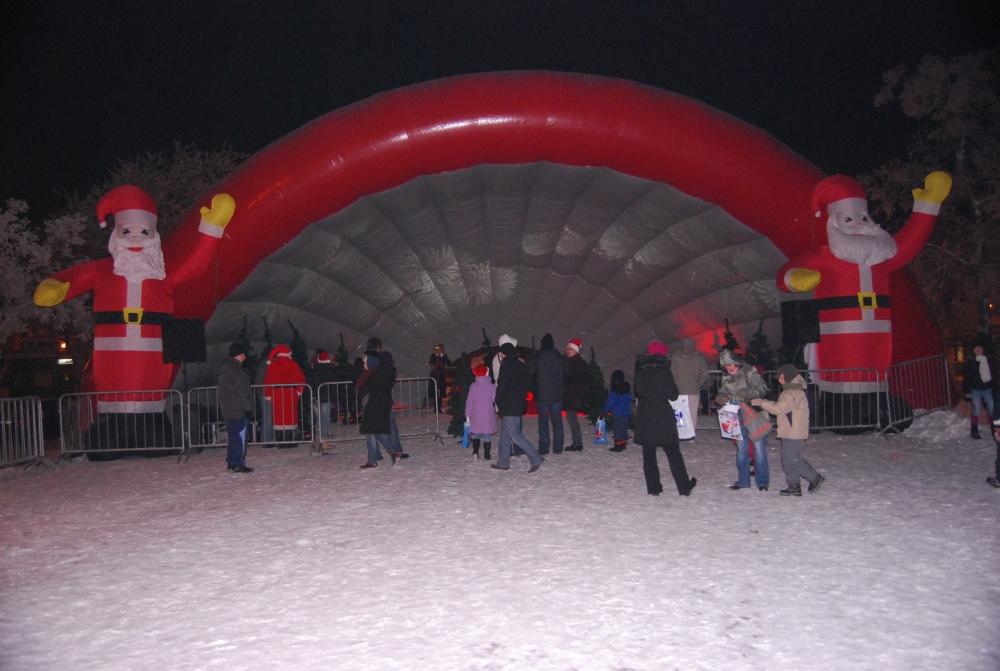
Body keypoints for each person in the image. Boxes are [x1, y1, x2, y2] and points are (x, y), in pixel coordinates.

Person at [33, 185, 235, 413]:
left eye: (144, 232)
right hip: (111, 351)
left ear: (153, 235)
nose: (136, 236)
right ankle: (111, 424)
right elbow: (76, 278)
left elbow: (194, 266)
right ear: (116, 234)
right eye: (127, 231)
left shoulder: (162, 274)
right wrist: (57, 286)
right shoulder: (102, 270)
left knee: (150, 394)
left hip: (153, 352)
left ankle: (152, 422)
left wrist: (211, 227)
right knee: (113, 392)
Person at [777, 172, 951, 389]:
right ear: (834, 223)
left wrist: (927, 206)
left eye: (864, 218)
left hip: (879, 332)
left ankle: (876, 399)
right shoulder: (824, 257)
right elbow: (784, 275)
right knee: (842, 375)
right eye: (849, 219)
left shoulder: (882, 255)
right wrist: (796, 278)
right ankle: (836, 400)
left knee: (874, 373)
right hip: (838, 333)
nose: (859, 224)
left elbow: (909, 243)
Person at [751, 364, 824, 496]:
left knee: (790, 459)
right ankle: (800, 482)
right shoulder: (794, 390)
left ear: (787, 377)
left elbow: (779, 408)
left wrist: (761, 402)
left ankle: (806, 481)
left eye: (781, 377)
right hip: (792, 430)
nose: (779, 380)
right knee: (791, 458)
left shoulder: (790, 393)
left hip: (793, 432)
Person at [634, 341, 696, 496]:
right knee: (673, 452)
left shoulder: (641, 370)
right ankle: (684, 487)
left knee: (649, 454)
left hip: (646, 416)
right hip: (662, 416)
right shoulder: (664, 371)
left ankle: (654, 488)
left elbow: (637, 391)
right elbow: (673, 394)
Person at [717, 348, 771, 492]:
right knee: (741, 451)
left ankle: (762, 482)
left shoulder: (749, 371)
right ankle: (743, 481)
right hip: (737, 417)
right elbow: (723, 392)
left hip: (754, 416)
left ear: (736, 362)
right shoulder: (726, 377)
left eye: (730, 365)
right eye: (725, 366)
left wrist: (744, 393)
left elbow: (762, 389)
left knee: (759, 450)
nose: (728, 368)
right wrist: (721, 398)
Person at [492, 341, 544, 473]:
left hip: (509, 404)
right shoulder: (520, 364)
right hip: (518, 402)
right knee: (505, 434)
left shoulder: (506, 365)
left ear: (504, 353)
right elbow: (528, 383)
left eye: (501, 353)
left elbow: (502, 385)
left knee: (515, 434)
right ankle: (503, 462)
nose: (500, 355)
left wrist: (498, 400)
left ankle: (536, 458)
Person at [358, 351, 401, 469]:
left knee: (374, 431)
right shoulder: (387, 371)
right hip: (381, 403)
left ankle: (391, 453)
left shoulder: (376, 373)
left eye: (366, 361)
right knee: (372, 432)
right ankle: (373, 459)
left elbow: (363, 387)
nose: (364, 363)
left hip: (374, 404)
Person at [216, 342, 255, 473]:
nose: (245, 357)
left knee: (233, 436)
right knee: (240, 437)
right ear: (239, 355)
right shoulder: (238, 371)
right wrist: (248, 408)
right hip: (239, 409)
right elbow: (242, 391)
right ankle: (238, 462)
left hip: (228, 408)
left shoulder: (225, 370)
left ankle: (231, 461)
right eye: (243, 354)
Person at [527, 333, 566, 455]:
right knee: (557, 422)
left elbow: (530, 372)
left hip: (542, 395)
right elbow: (568, 372)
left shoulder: (538, 357)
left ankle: (544, 447)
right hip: (557, 395)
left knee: (543, 423)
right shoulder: (560, 357)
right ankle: (558, 447)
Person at [263, 345, 306, 446]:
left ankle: (280, 441)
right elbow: (301, 379)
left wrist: (268, 395)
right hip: (290, 392)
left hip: (276, 393)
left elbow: (267, 381)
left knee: (278, 416)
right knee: (290, 415)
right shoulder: (293, 364)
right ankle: (289, 441)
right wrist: (298, 391)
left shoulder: (272, 365)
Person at [670, 337, 709, 437]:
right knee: (692, 413)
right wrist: (698, 384)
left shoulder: (676, 356)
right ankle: (691, 434)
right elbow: (705, 373)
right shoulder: (699, 356)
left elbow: (672, 373)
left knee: (679, 412)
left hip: (679, 389)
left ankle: (680, 433)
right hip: (693, 389)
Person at [465, 365, 496, 461]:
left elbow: (469, 401)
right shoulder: (491, 386)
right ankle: (487, 454)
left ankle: (475, 452)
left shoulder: (473, 386)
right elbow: (494, 399)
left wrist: (468, 414)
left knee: (477, 433)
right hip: (488, 413)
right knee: (487, 434)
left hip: (476, 413)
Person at [963, 344, 995, 440]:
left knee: (991, 407)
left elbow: (993, 373)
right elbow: (968, 376)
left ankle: (995, 429)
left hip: (987, 387)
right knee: (976, 407)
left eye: (980, 349)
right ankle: (974, 430)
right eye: (977, 350)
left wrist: (993, 385)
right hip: (976, 388)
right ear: (974, 351)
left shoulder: (987, 360)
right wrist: (967, 390)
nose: (979, 351)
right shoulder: (971, 362)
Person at [306, 349, 340, 440]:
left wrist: (309, 399)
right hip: (326, 398)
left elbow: (309, 385)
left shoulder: (313, 371)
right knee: (325, 419)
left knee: (318, 418)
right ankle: (323, 439)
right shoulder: (330, 372)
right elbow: (333, 387)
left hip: (315, 398)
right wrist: (335, 400)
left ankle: (318, 438)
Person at [563, 338, 589, 452]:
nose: (568, 350)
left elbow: (577, 381)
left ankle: (577, 443)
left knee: (572, 420)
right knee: (571, 420)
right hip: (572, 396)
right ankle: (577, 443)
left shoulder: (576, 364)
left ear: (576, 350)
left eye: (571, 348)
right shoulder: (571, 362)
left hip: (573, 396)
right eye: (567, 348)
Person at [604, 370, 632, 452]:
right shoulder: (627, 387)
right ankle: (623, 443)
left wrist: (605, 409)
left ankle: (618, 445)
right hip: (626, 412)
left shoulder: (615, 389)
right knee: (624, 428)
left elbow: (611, 402)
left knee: (618, 429)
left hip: (618, 412)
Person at [254, 354, 275, 445]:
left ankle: (270, 438)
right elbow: (260, 380)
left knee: (270, 416)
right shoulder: (265, 364)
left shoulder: (267, 363)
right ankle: (266, 440)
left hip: (267, 393)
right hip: (264, 393)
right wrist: (265, 392)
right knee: (268, 416)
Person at [428, 343, 452, 413]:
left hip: (441, 377)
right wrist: (435, 367)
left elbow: (449, 363)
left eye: (441, 349)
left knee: (440, 393)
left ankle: (439, 408)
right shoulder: (433, 356)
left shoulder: (444, 356)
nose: (439, 350)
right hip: (435, 376)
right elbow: (431, 364)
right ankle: (436, 408)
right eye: (438, 349)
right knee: (435, 392)